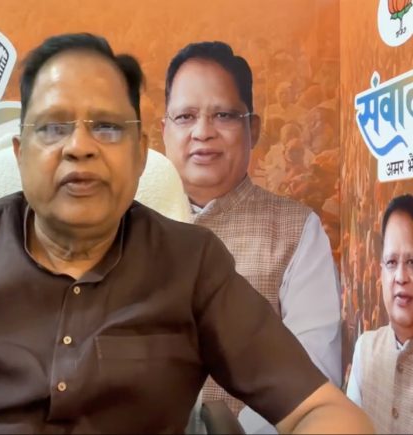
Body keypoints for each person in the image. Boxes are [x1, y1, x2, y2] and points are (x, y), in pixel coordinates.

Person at [0, 33, 372, 434]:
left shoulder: (193, 263)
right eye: (54, 127)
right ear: (20, 153)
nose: (80, 146)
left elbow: (320, 410)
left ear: (139, 155)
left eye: (107, 128)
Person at [161, 41, 342, 433]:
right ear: (164, 131)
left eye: (223, 115)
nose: (202, 132)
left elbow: (311, 378)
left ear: (253, 129)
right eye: (186, 116)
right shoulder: (129, 227)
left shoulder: (296, 230)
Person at [346, 194, 413, 433]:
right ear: (381, 272)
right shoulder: (366, 350)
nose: (401, 277)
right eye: (392, 262)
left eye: (412, 262)